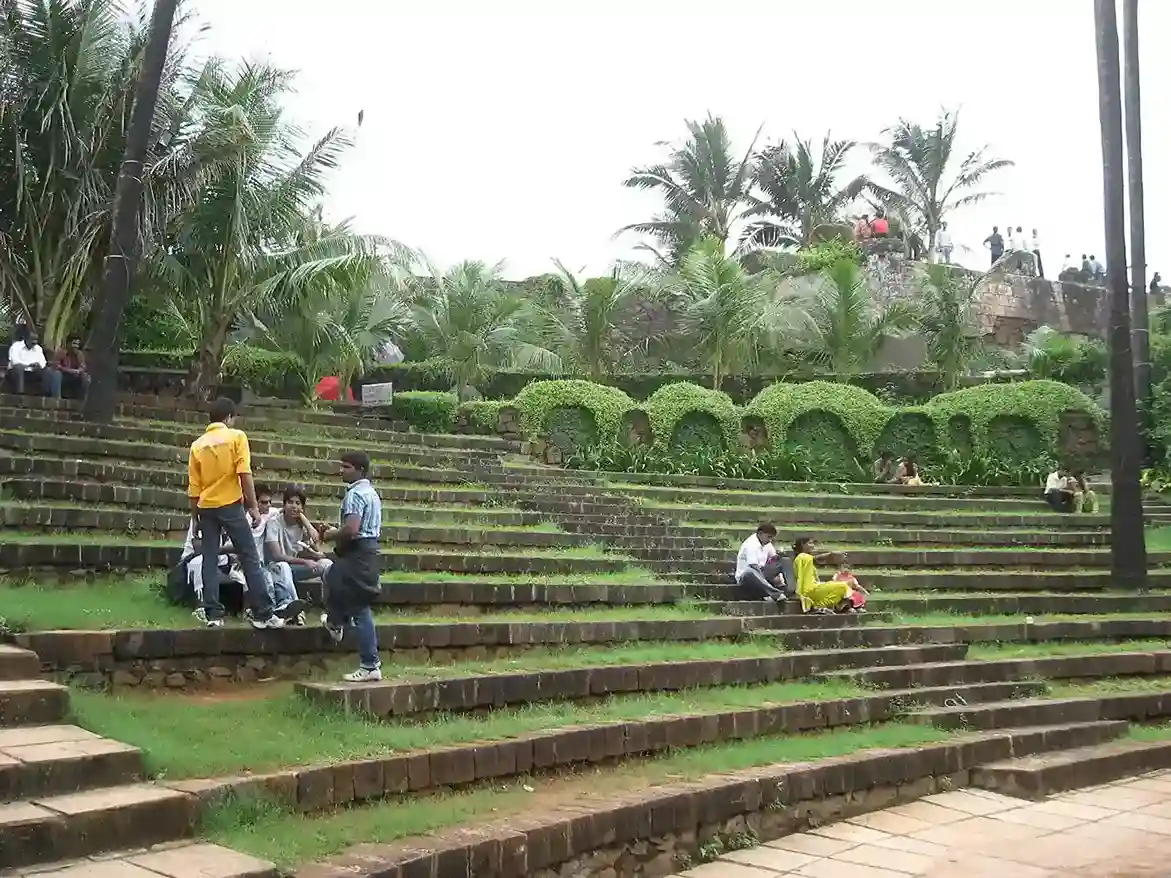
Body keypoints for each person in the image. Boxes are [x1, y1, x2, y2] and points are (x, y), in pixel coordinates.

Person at [187, 397, 283, 629]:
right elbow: (244, 474)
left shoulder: (197, 445)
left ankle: (213, 613)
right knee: (249, 554)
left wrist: (195, 517)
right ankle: (262, 611)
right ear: (229, 417)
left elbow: (193, 488)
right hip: (230, 504)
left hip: (206, 507)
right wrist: (252, 506)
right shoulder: (236, 437)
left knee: (209, 558)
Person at [320, 451, 383, 682]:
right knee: (334, 578)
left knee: (358, 606)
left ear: (359, 470)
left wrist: (330, 534)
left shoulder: (355, 494)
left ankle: (369, 663)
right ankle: (336, 621)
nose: (341, 471)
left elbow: (352, 529)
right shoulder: (372, 494)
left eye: (346, 467)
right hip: (368, 552)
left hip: (357, 552)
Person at [264, 484, 332, 624]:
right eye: (290, 502)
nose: (293, 506)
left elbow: (312, 546)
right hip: (275, 568)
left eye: (297, 503)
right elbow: (277, 556)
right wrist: (305, 562)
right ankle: (297, 610)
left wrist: (314, 553)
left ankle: (331, 609)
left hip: (293, 568)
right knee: (283, 565)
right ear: (284, 504)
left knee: (327, 564)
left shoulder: (300, 525)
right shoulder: (274, 522)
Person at [792, 536, 857, 615]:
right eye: (810, 543)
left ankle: (825, 607)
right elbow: (816, 559)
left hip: (813, 587)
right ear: (802, 545)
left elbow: (816, 563)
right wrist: (831, 554)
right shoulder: (802, 556)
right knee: (842, 587)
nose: (812, 545)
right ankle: (821, 607)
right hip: (808, 590)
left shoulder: (806, 558)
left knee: (841, 586)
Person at [734, 523, 786, 602]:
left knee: (784, 561)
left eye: (772, 538)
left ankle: (789, 589)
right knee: (750, 572)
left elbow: (774, 558)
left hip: (762, 572)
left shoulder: (767, 544)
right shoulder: (751, 544)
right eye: (769, 537)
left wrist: (779, 577)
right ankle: (776, 594)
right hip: (747, 576)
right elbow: (753, 566)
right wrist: (764, 580)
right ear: (760, 534)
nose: (770, 540)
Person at [6, 330, 61, 397]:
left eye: (36, 340)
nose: (34, 342)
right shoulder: (16, 346)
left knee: (55, 373)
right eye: (32, 339)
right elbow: (15, 361)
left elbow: (43, 363)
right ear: (25, 338)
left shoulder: (38, 348)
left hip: (34, 372)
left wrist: (38, 365)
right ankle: (20, 395)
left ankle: (54, 398)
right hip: (17, 372)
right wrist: (29, 365)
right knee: (19, 367)